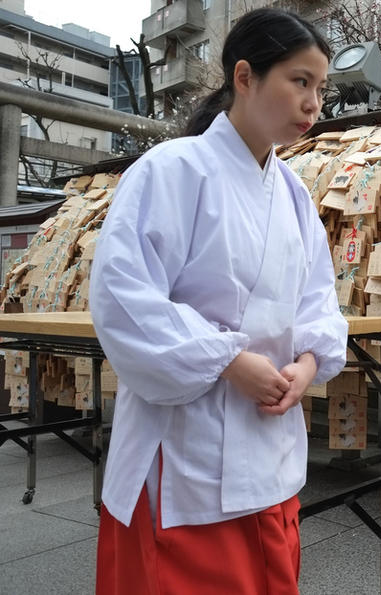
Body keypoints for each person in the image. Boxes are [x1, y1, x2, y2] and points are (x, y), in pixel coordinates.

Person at [90, 8, 348, 594]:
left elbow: (317, 301)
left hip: (268, 443)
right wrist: (228, 361)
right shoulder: (170, 170)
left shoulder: (294, 193)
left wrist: (307, 364)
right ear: (244, 76)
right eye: (300, 82)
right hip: (185, 455)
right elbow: (123, 296)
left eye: (321, 88)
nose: (314, 103)